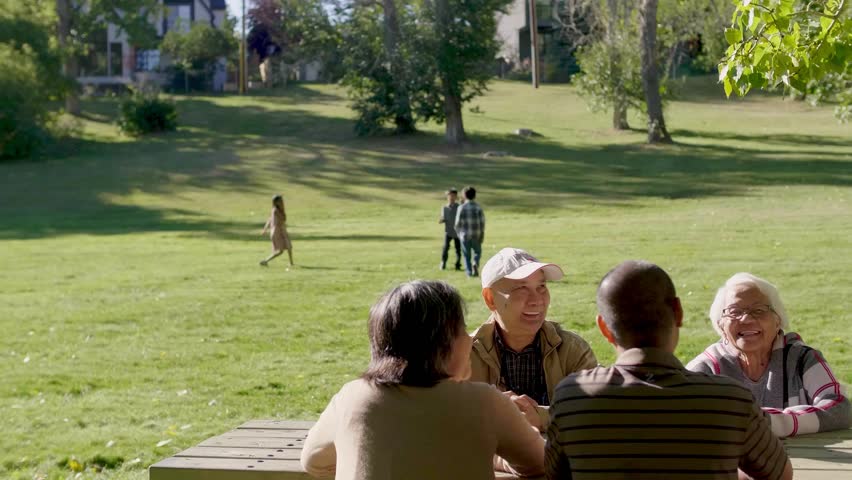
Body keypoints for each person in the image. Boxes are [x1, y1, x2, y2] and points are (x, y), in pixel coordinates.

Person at [546, 260, 793, 480]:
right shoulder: (729, 400)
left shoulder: (573, 397)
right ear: (678, 312)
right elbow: (780, 474)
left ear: (604, 328)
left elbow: (553, 473)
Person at [300, 280, 545, 480]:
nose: (470, 340)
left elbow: (313, 461)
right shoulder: (486, 402)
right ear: (442, 343)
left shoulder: (352, 397)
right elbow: (541, 464)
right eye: (463, 330)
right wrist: (493, 451)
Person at [687, 272, 851, 437]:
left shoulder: (801, 359)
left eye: (758, 310)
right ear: (721, 325)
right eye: (734, 311)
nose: (746, 319)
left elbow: (841, 409)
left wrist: (771, 422)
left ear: (778, 320)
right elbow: (677, 413)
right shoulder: (707, 367)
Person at [470, 247, 597, 431]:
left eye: (541, 286)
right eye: (521, 288)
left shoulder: (572, 350)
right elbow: (446, 418)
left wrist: (540, 417)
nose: (537, 300)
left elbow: (593, 410)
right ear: (490, 299)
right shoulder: (464, 355)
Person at [454, 186, 485, 277]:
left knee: (466, 255)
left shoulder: (461, 207)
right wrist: (482, 233)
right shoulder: (478, 207)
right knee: (477, 252)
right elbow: (482, 222)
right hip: (476, 234)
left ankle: (469, 272)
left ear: (464, 196)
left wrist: (459, 234)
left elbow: (457, 223)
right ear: (475, 195)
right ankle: (475, 262)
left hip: (464, 235)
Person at [259, 194, 293, 267]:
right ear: (276, 202)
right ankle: (265, 261)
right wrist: (283, 210)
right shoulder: (276, 211)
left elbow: (269, 219)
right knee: (281, 250)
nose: (282, 202)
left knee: (288, 247)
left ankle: (291, 263)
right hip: (278, 232)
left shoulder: (275, 210)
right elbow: (283, 219)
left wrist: (265, 229)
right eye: (280, 201)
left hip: (281, 230)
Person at [438, 188, 461, 271]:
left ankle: (458, 264)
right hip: (448, 231)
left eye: (453, 196)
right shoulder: (445, 208)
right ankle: (443, 263)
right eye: (449, 195)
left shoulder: (459, 207)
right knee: (445, 248)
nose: (451, 197)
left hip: (458, 232)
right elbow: (443, 217)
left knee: (458, 249)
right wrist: (441, 220)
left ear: (455, 197)